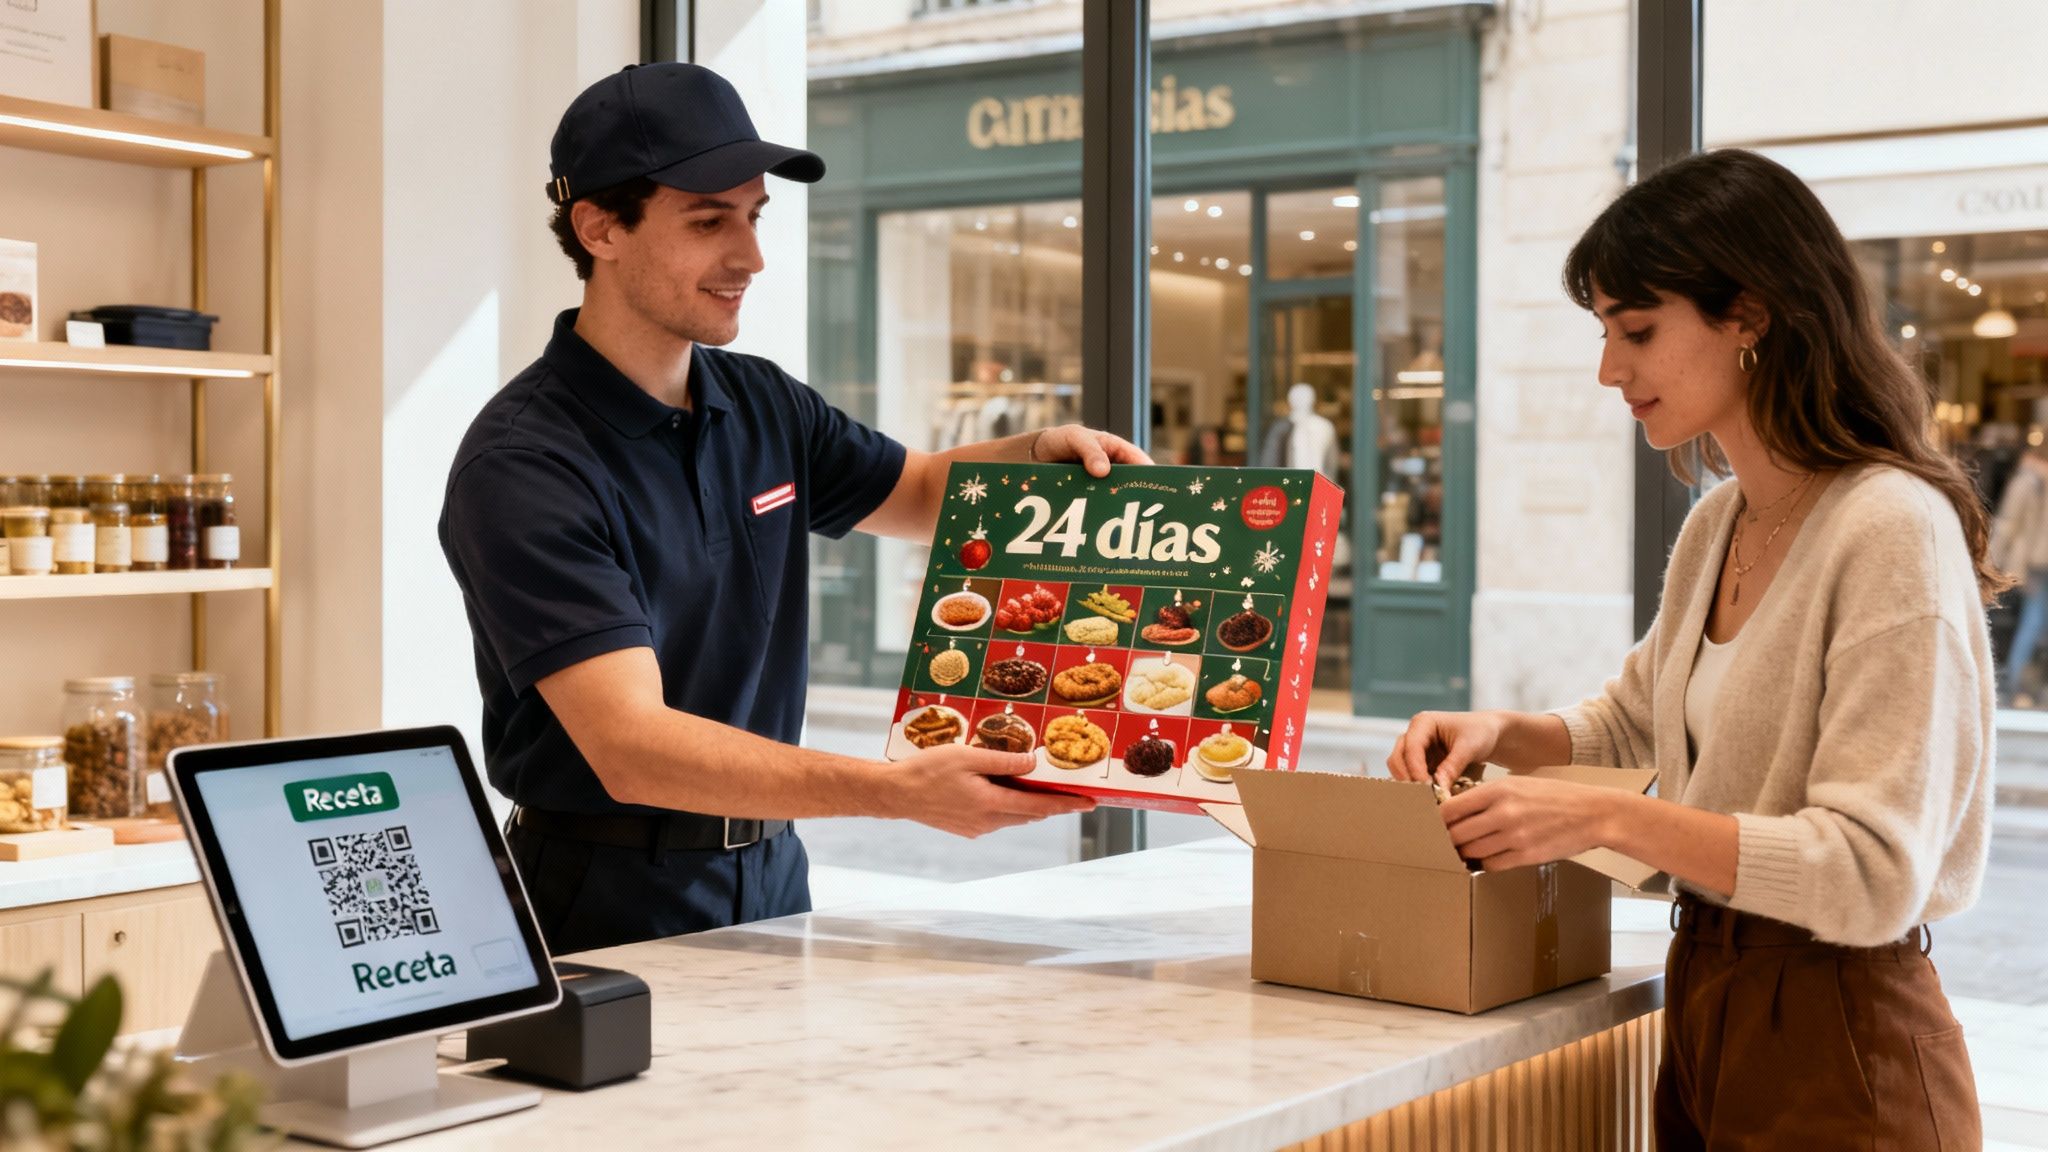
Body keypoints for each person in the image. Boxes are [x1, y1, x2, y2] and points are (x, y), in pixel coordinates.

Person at [439, 63, 1147, 954]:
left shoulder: (763, 401)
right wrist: (895, 791)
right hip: (605, 897)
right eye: (709, 221)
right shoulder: (527, 464)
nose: (751, 257)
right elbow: (632, 746)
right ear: (600, 228)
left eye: (754, 216)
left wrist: (1035, 455)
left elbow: (924, 489)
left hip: (774, 873)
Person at [1388, 149, 1994, 1149]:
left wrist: (1601, 820)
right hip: (1708, 995)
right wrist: (1498, 730)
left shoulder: (1888, 528)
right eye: (1601, 333)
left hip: (1841, 1032)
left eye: (1635, 330)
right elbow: (1633, 723)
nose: (1606, 369)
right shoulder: (1720, 522)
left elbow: (1870, 870)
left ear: (1747, 315)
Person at [1990, 444, 2048, 705]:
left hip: (2037, 563)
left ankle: (2021, 683)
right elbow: (2009, 524)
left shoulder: (2032, 480)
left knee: (2032, 624)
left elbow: (2007, 525)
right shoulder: (2032, 482)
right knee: (2032, 623)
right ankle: (2018, 683)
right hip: (2037, 565)